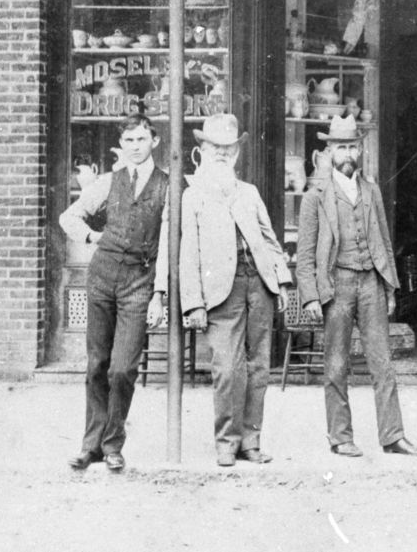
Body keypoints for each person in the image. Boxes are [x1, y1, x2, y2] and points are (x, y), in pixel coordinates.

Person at [155, 114, 293, 467]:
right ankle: (226, 441)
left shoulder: (249, 192)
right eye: (215, 147)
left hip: (258, 287)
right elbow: (187, 254)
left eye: (228, 148)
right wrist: (193, 304)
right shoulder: (192, 196)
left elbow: (269, 238)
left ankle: (251, 441)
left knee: (259, 367)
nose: (222, 154)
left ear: (236, 153)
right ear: (201, 150)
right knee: (228, 370)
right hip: (220, 293)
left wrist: (282, 281)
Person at [296, 115, 417, 458]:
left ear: (360, 148)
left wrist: (389, 288)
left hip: (370, 281)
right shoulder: (315, 196)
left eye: (353, 146)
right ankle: (340, 437)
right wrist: (310, 295)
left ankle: (393, 436)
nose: (348, 153)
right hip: (336, 284)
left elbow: (383, 241)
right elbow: (305, 252)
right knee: (336, 364)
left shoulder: (371, 190)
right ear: (329, 151)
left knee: (383, 363)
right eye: (341, 147)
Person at [59, 114, 169, 472]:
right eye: (128, 141)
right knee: (96, 365)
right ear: (121, 144)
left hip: (139, 282)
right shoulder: (109, 182)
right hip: (102, 278)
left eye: (141, 139)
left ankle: (113, 443)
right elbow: (69, 218)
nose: (135, 147)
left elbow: (168, 244)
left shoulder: (169, 186)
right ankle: (91, 445)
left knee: (123, 368)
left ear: (154, 141)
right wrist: (92, 237)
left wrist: (159, 294)